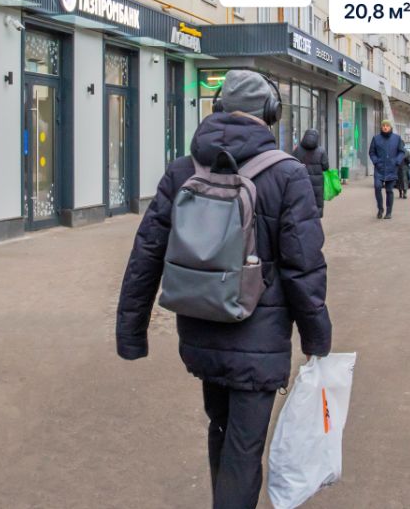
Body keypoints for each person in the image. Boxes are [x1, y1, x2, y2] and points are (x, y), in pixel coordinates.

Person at [116, 70, 332, 509]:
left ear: (218, 108)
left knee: (220, 427)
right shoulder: (287, 174)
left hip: (200, 328)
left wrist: (131, 332)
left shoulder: (183, 170)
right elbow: (303, 266)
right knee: (244, 448)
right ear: (270, 113)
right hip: (259, 336)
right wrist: (317, 337)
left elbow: (146, 253)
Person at [369, 119, 406, 219]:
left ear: (390, 127)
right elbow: (372, 152)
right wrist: (376, 161)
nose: (385, 127)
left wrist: (397, 161)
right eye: (383, 125)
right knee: (377, 187)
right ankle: (380, 209)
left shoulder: (397, 138)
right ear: (381, 127)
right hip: (379, 168)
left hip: (392, 168)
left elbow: (402, 152)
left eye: (387, 126)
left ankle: (389, 212)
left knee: (389, 190)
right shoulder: (376, 139)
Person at [293, 127, 330, 215]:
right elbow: (325, 167)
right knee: (316, 203)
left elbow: (292, 165)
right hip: (317, 184)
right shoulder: (321, 151)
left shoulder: (297, 150)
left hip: (301, 181)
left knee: (302, 203)